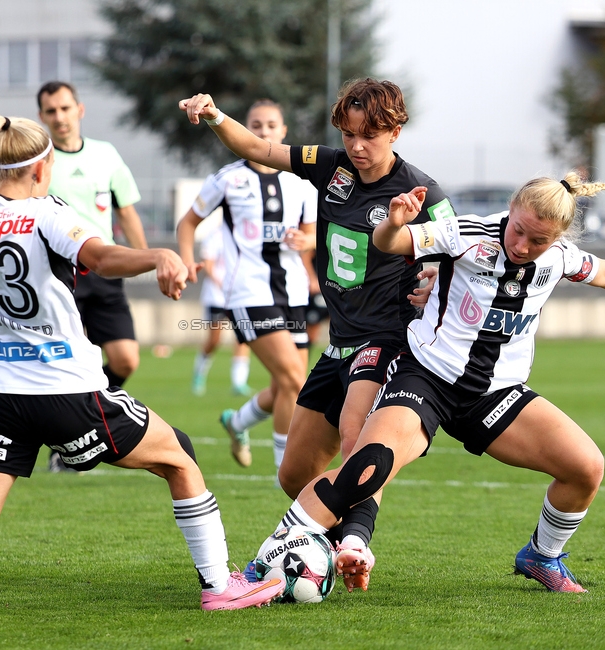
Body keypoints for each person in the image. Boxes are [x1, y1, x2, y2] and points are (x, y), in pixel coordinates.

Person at [0, 17, 284, 632]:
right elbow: (103, 257)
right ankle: (221, 586)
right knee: (181, 460)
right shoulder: (48, 213)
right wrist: (159, 256)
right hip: (68, 391)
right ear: (41, 170)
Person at [253, 171, 605, 595]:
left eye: (538, 240)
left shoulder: (557, 257)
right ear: (510, 212)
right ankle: (262, 564)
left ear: (556, 239)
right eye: (518, 230)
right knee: (367, 464)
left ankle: (543, 556)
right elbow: (391, 243)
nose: (522, 246)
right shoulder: (468, 233)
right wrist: (394, 223)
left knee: (586, 467)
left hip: (494, 394)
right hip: (426, 379)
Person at [179, 79, 452, 586]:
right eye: (348, 135)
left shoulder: (423, 192)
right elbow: (256, 147)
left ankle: (355, 546)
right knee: (293, 472)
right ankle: (323, 542)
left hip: (388, 339)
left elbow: (459, 256)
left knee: (355, 438)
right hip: (339, 341)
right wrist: (215, 115)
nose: (356, 147)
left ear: (395, 130)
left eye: (368, 136)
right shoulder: (332, 166)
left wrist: (434, 280)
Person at [177, 99, 316, 472]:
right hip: (247, 293)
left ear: (283, 132)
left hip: (293, 292)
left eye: (272, 125)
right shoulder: (228, 179)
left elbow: (313, 233)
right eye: (256, 124)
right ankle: (284, 472)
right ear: (245, 130)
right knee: (293, 380)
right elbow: (187, 224)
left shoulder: (301, 182)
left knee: (287, 385)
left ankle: (236, 423)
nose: (264, 131)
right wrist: (188, 261)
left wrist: (307, 242)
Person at [37, 80, 145, 471]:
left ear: (79, 110)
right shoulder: (39, 160)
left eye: (65, 108)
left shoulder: (106, 155)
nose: (59, 117)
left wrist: (145, 259)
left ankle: (76, 431)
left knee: (126, 359)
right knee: (75, 361)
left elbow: (127, 212)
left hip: (104, 271)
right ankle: (72, 445)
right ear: (42, 117)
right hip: (59, 275)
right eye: (51, 111)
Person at [190, 225, 252, 397]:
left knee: (243, 337)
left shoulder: (247, 232)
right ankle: (199, 374)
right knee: (214, 340)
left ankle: (239, 382)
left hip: (241, 296)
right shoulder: (215, 235)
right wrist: (222, 284)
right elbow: (208, 265)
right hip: (216, 296)